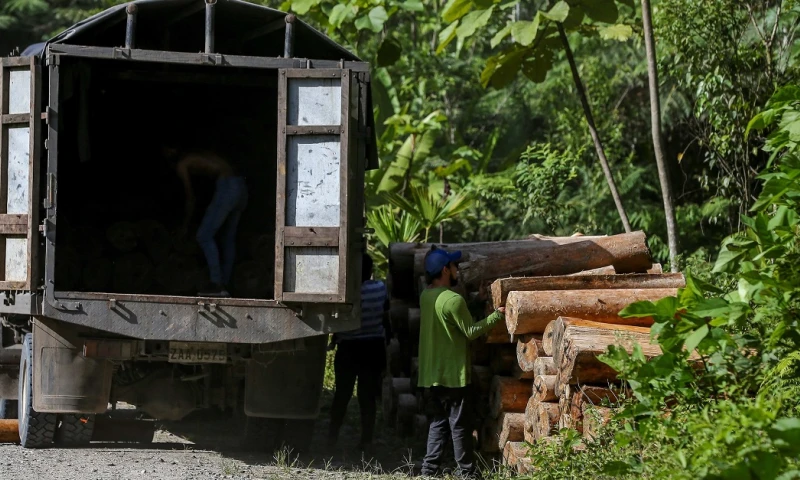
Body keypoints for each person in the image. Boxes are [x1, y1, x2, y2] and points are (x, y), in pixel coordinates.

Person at [418, 248, 505, 478]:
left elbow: (451, 319)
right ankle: (466, 473)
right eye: (455, 266)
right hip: (453, 375)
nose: (458, 270)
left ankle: (428, 470)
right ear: (445, 270)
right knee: (459, 425)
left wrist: (477, 302)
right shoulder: (453, 300)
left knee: (438, 423)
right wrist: (497, 315)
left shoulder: (426, 296)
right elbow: (470, 331)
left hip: (431, 374)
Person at [328, 254, 392, 451]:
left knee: (342, 394)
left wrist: (334, 340)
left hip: (348, 350)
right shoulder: (380, 288)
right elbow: (386, 317)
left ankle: (331, 438)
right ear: (370, 270)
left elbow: (336, 322)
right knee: (367, 397)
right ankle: (366, 440)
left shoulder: (345, 292)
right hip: (373, 348)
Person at [165, 147, 248, 297]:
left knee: (203, 236)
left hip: (227, 187)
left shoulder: (182, 164)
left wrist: (185, 225)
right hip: (241, 186)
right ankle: (226, 284)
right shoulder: (202, 155)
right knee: (228, 239)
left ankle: (216, 284)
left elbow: (190, 199)